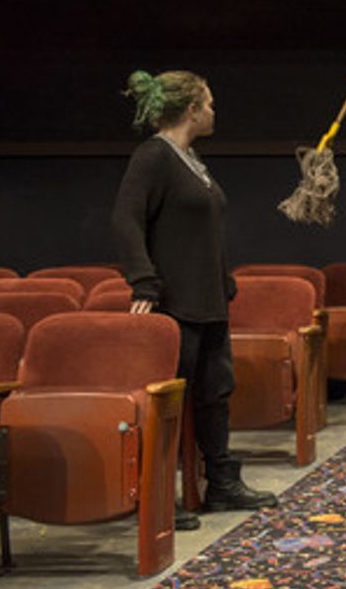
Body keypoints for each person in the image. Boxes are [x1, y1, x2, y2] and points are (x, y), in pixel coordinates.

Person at [112, 70, 279, 527]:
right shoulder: (154, 157)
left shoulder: (192, 161)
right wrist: (143, 280)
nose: (213, 111)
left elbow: (200, 232)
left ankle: (221, 483)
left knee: (214, 393)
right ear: (190, 109)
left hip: (207, 301)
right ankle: (158, 495)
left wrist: (222, 279)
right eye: (208, 103)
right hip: (175, 303)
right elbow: (126, 220)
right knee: (169, 402)